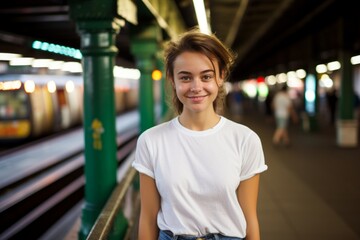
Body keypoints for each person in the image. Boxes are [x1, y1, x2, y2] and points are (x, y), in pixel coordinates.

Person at [132, 28, 268, 240]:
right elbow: (148, 218)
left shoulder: (245, 140)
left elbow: (250, 218)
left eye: (206, 76)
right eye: (185, 78)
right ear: (172, 79)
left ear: (221, 77)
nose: (196, 87)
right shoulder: (151, 141)